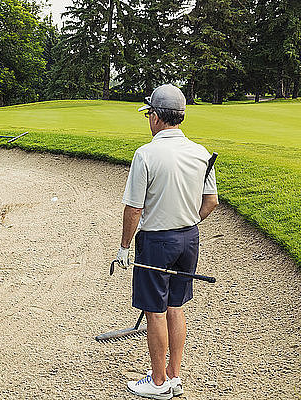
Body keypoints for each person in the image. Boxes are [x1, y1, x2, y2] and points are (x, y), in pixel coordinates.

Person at [116, 84, 219, 399]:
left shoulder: (146, 154)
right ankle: (173, 375)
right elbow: (211, 201)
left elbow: (134, 208)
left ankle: (158, 383)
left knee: (155, 311)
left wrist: (124, 247)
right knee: (176, 306)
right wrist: (189, 218)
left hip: (157, 242)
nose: (148, 118)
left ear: (157, 117)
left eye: (149, 113)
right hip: (189, 239)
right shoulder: (201, 153)